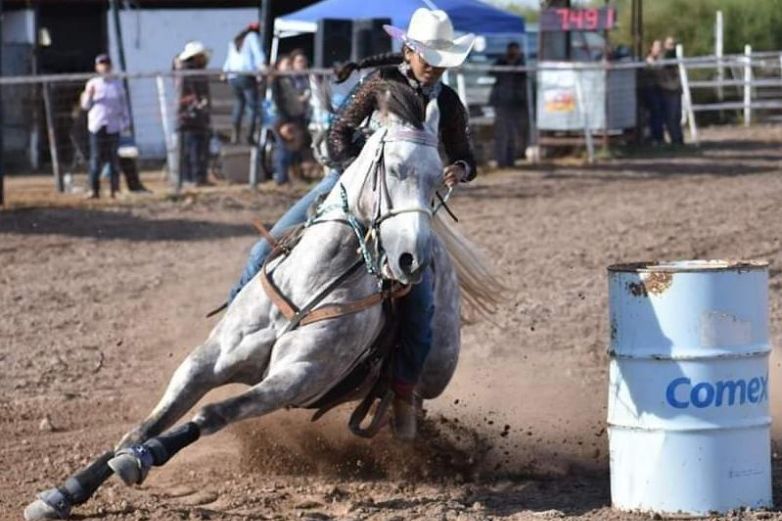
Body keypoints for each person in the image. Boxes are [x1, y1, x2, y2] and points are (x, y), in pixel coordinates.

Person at [228, 8, 477, 439]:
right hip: (346, 188)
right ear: (410, 50)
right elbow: (337, 135)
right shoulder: (379, 86)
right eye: (429, 56)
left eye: (442, 58)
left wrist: (459, 167)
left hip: (406, 206)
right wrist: (360, 173)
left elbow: (467, 154)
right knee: (260, 251)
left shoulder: (447, 101)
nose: (435, 65)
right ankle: (234, 332)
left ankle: (403, 392)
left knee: (419, 303)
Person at [80, 54, 129, 199]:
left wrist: (126, 122)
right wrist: (89, 95)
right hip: (97, 125)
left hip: (113, 126)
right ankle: (94, 190)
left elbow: (123, 105)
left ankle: (115, 190)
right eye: (101, 64)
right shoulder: (92, 84)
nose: (105, 66)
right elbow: (85, 106)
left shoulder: (117, 84)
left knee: (114, 159)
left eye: (107, 63)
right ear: (97, 67)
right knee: (96, 159)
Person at [223, 23, 266, 145]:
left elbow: (229, 59)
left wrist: (225, 72)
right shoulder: (252, 37)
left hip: (233, 75)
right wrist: (262, 68)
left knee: (239, 103)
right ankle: (249, 135)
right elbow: (258, 54)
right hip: (246, 74)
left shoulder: (235, 41)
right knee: (252, 106)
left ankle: (235, 134)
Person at [177, 41, 212, 186]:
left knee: (196, 148)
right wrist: (199, 104)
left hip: (196, 116)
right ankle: (195, 178)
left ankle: (195, 177)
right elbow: (191, 94)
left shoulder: (195, 72)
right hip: (191, 117)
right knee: (194, 149)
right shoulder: (190, 73)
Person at [489, 41, 528, 168]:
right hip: (501, 102)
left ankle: (510, 161)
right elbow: (492, 72)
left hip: (515, 103)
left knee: (512, 133)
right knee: (501, 133)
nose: (514, 53)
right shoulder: (501, 62)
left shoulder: (521, 63)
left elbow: (523, 80)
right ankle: (501, 161)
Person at [271, 55, 308, 185]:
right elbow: (279, 101)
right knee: (283, 148)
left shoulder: (289, 80)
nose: (289, 67)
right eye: (286, 64)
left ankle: (291, 177)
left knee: (292, 149)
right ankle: (281, 178)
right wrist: (285, 120)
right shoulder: (277, 81)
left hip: (291, 116)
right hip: (282, 118)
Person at [659, 36, 684, 145]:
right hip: (668, 88)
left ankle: (678, 138)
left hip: (675, 88)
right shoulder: (665, 58)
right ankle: (675, 139)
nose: (671, 47)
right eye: (669, 44)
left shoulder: (675, 57)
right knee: (671, 116)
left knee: (676, 115)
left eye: (673, 44)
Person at [641, 39, 665, 145]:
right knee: (654, 113)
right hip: (650, 89)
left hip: (658, 88)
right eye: (656, 46)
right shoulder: (649, 61)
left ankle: (658, 137)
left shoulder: (661, 60)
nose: (658, 49)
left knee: (658, 114)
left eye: (660, 47)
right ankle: (654, 137)